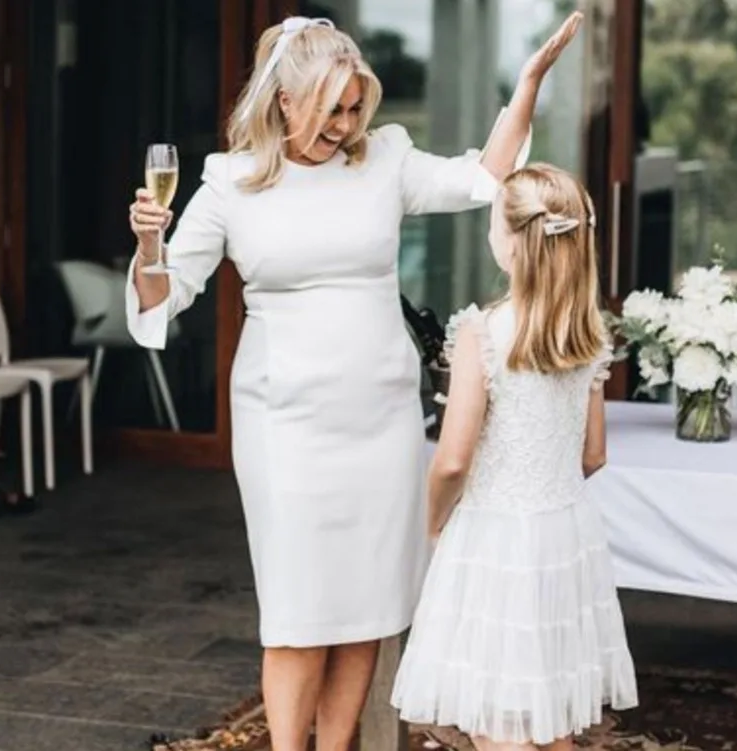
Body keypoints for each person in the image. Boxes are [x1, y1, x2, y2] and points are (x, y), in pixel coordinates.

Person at [126, 12, 584, 751]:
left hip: (381, 422)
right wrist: (151, 243)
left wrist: (526, 83)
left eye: (353, 105)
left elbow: (483, 177)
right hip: (285, 426)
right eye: (330, 107)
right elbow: (162, 297)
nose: (345, 123)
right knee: (298, 615)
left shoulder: (385, 159)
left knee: (368, 608)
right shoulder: (228, 183)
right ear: (284, 100)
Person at [391, 164, 638, 750]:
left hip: (496, 539)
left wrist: (430, 522)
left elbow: (453, 459)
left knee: (496, 722)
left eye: (493, 221)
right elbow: (594, 453)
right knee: (548, 720)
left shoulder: (484, 332)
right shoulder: (587, 333)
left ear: (512, 241)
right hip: (565, 533)